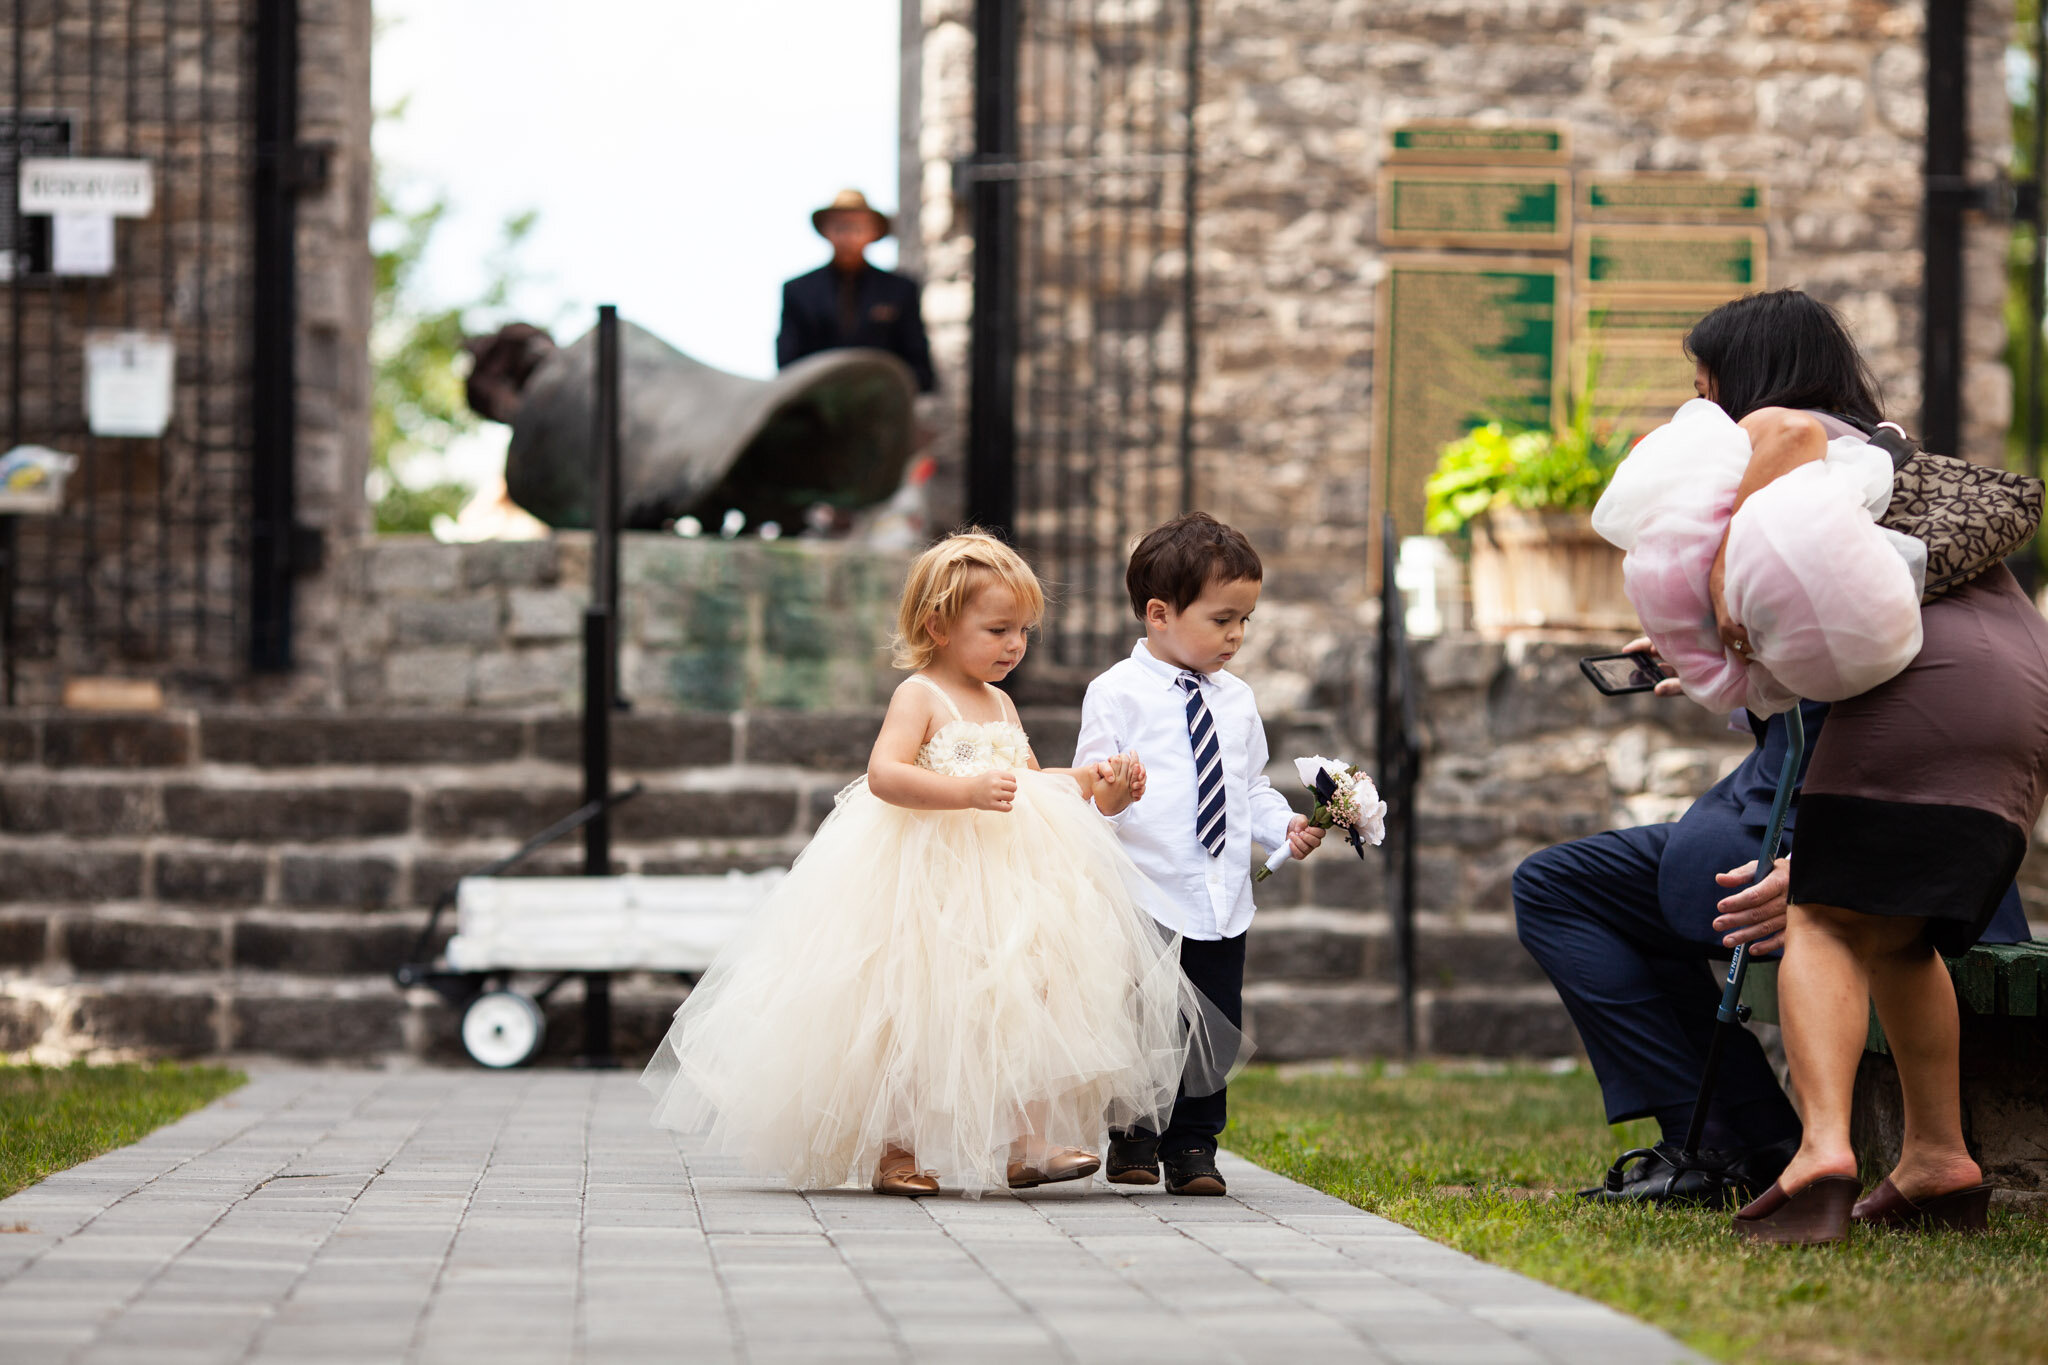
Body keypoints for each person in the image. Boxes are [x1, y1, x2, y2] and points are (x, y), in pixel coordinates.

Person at [642, 530, 1229, 1198]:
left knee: (1029, 991)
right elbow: (885, 773)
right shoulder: (920, 696)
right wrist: (965, 791)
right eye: (998, 628)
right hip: (924, 878)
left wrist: (1096, 784)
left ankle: (1027, 1141)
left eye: (1025, 631)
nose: (1015, 645)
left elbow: (1030, 782)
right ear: (938, 625)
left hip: (1005, 884)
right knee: (911, 1003)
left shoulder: (1003, 702)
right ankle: (897, 1148)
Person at [1674, 289, 2048, 1245]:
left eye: (1706, 382)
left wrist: (1719, 588)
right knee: (1899, 935)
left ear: (1741, 376)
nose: (1703, 405)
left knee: (1823, 917)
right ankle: (1938, 1159)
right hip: (2014, 690)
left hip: (1924, 695)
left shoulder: (1788, 425)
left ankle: (1824, 1150)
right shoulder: (1881, 450)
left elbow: (1784, 438)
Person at [1516, 686, 2033, 1205]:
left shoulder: (1870, 617)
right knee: (1588, 893)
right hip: (1852, 829)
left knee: (1557, 887)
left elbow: (1823, 659)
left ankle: (1741, 1142)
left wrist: (1827, 867)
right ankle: (1756, 1139)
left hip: (1823, 829)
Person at [1076, 512, 1326, 1196]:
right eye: (1222, 619)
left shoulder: (1238, 701)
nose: (1237, 635)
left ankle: (1194, 1144)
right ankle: (1133, 1131)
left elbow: (1247, 786)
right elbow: (1087, 788)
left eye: (1245, 618)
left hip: (1219, 892)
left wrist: (1284, 830)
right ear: (1159, 614)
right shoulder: (1116, 693)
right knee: (1142, 1016)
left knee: (1212, 1020)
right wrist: (1113, 794)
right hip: (1144, 886)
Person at [776, 189, 936, 393]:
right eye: (841, 227)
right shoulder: (798, 291)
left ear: (873, 232)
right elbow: (788, 365)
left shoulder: (899, 290)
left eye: (857, 227)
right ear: (826, 230)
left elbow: (919, 368)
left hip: (879, 407)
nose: (849, 236)